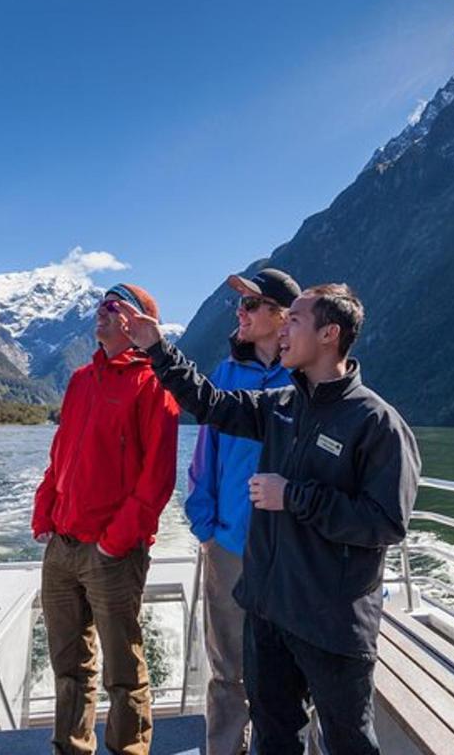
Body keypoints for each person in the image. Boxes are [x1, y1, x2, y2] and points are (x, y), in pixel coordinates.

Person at [112, 283, 420, 755]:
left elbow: (384, 523)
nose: (282, 332)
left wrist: (293, 497)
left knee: (347, 742)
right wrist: (157, 348)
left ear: (329, 334)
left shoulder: (376, 423)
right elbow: (209, 403)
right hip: (269, 612)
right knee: (275, 737)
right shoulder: (280, 407)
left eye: (294, 320)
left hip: (331, 620)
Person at [30, 282, 180, 755]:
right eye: (101, 305)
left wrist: (115, 542)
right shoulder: (79, 380)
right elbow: (60, 459)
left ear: (139, 323)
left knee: (123, 671)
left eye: (114, 307)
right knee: (68, 666)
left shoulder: (156, 383)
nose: (102, 311)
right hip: (63, 548)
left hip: (112, 553)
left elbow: (156, 481)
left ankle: (128, 750)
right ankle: (71, 748)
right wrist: (44, 514)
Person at [186, 268, 301, 755]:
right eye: (241, 305)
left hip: (293, 550)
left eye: (252, 305)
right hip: (230, 542)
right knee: (227, 669)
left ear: (282, 317)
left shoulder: (306, 373)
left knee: (294, 671)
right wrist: (206, 526)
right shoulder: (225, 375)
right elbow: (204, 457)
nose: (241, 312)